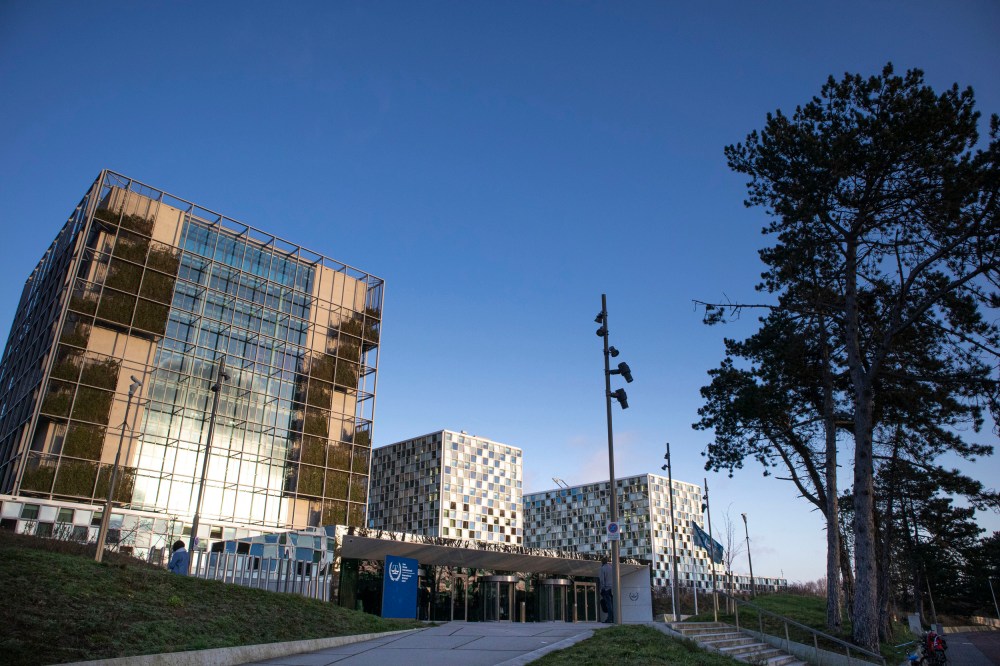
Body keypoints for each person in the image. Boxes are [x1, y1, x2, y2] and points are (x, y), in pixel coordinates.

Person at [599, 556, 614, 623]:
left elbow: (602, 580)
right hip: (613, 589)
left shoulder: (603, 568)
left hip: (606, 588)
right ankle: (613, 618)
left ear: (602, 562)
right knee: (612, 604)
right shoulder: (611, 568)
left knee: (608, 604)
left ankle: (609, 618)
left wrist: (602, 588)